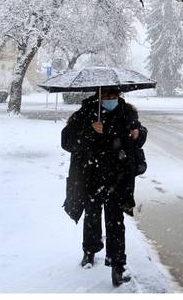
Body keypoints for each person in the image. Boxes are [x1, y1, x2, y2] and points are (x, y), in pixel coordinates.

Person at [62, 87, 147, 287]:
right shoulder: (85, 113)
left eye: (114, 96)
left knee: (115, 221)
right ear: (97, 96)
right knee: (92, 216)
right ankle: (89, 251)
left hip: (119, 176)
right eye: (107, 96)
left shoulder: (127, 112)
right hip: (91, 175)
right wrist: (90, 131)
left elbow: (140, 135)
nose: (111, 100)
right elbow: (67, 141)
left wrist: (137, 133)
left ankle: (118, 265)